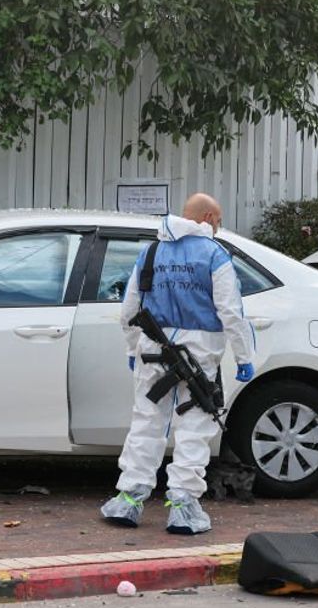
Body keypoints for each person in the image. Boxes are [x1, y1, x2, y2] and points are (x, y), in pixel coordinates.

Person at [100, 193, 256, 535]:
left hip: (153, 350)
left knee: (146, 423)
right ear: (210, 217)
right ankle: (183, 507)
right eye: (219, 220)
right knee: (194, 429)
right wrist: (244, 357)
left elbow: (129, 310)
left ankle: (129, 500)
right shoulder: (215, 255)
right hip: (199, 356)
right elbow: (231, 312)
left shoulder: (151, 252)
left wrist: (132, 348)